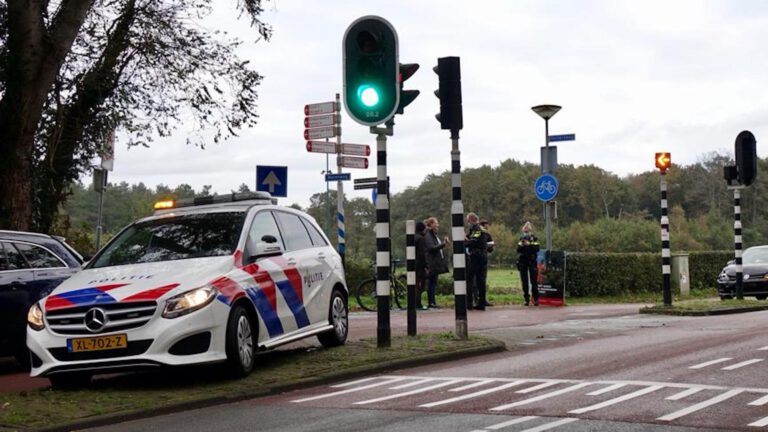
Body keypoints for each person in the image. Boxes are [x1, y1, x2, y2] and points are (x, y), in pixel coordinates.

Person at [465, 212, 490, 310]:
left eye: (468, 221)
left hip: (476, 256)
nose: (468, 223)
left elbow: (472, 241)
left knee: (469, 278)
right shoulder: (483, 229)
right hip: (483, 256)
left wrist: (464, 241)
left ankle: (469, 303)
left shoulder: (477, 229)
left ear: (471, 220)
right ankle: (482, 303)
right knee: (481, 280)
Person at [424, 217, 450, 308]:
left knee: (433, 283)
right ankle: (431, 302)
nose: (438, 225)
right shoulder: (428, 236)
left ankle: (433, 301)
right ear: (431, 225)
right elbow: (431, 248)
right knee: (431, 283)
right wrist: (443, 244)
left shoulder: (433, 235)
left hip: (435, 263)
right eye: (436, 223)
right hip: (432, 263)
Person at [517, 221, 540, 306]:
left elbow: (537, 248)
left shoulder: (534, 238)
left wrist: (529, 244)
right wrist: (522, 245)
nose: (525, 232)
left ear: (530, 230)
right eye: (524, 230)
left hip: (531, 261)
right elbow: (518, 250)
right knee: (524, 281)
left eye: (527, 230)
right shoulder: (521, 239)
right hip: (523, 261)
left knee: (534, 281)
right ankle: (526, 299)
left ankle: (536, 299)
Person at [414, 220, 429, 310]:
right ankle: (418, 303)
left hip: (413, 264)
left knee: (416, 284)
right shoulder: (421, 239)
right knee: (420, 285)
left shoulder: (413, 237)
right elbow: (422, 254)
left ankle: (416, 302)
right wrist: (426, 266)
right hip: (419, 265)